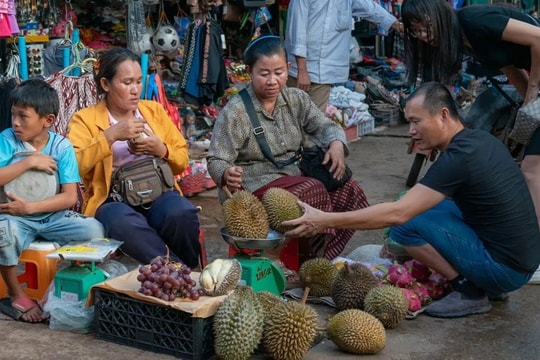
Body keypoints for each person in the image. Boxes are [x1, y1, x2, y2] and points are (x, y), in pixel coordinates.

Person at [284, 82, 540, 318]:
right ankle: (488, 284)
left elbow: (399, 213)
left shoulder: (458, 158)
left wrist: (325, 220)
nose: (412, 131)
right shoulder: (477, 140)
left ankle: (469, 290)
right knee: (425, 204)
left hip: (506, 269)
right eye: (409, 123)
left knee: (404, 225)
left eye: (416, 122)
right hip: (521, 261)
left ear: (442, 115)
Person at [207, 35, 370, 279]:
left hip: (294, 176)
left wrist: (336, 142)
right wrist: (226, 174)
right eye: (264, 74)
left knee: (350, 190)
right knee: (312, 189)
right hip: (255, 185)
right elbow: (216, 159)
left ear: (288, 70)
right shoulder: (236, 112)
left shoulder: (296, 99)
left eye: (279, 72)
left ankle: (317, 263)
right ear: (249, 72)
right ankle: (294, 262)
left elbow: (324, 125)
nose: (272, 81)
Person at [400, 0, 540, 283]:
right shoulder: (463, 41)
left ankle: (533, 257)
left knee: (531, 171)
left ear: (438, 15)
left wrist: (534, 90)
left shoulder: (476, 20)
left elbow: (538, 39)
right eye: (416, 32)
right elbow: (510, 66)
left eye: (425, 27)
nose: (424, 37)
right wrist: (528, 108)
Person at [67, 48, 201, 270]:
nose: (135, 90)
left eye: (139, 82)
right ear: (106, 85)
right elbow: (74, 165)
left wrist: (162, 150)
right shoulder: (85, 119)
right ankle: (179, 273)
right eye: (127, 82)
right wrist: (111, 136)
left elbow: (182, 161)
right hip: (113, 200)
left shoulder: (153, 111)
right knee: (122, 222)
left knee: (181, 213)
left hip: (158, 192)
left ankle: (181, 270)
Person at [0, 79, 105, 323]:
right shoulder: (6, 139)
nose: (15, 122)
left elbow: (69, 197)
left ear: (47, 120)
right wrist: (29, 162)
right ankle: (15, 294)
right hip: (13, 216)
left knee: (94, 230)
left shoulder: (61, 146)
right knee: (3, 233)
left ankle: (66, 286)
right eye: (13, 114)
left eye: (23, 116)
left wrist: (30, 208)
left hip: (53, 217)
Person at [284, 0, 401, 113]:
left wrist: (396, 24)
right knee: (296, 117)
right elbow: (297, 33)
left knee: (314, 121)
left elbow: (369, 7)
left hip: (325, 71)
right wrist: (302, 71)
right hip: (301, 69)